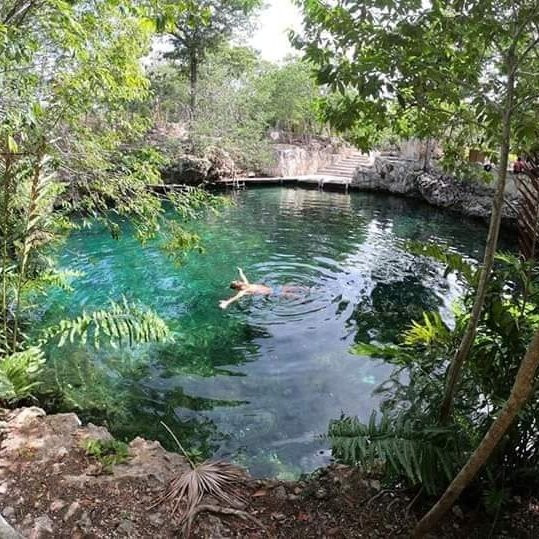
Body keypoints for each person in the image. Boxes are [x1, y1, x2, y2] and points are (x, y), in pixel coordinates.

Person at [219, 268, 305, 309]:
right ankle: (303, 299)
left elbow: (243, 276)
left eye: (237, 280)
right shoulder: (244, 291)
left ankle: (309, 289)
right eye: (237, 282)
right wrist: (226, 303)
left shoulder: (246, 284)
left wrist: (240, 271)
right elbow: (236, 297)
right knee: (289, 295)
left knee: (292, 287)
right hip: (273, 293)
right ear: (237, 287)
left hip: (274, 288)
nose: (239, 281)